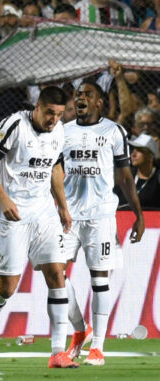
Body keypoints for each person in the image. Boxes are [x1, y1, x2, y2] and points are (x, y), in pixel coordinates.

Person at [0, 86, 77, 369]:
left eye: (58, 114)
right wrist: (3, 198)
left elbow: (55, 168)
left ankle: (57, 352)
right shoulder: (14, 125)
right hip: (12, 214)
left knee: (57, 273)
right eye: (49, 113)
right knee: (7, 287)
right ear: (37, 107)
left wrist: (63, 207)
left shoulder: (59, 131)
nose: (53, 120)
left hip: (43, 212)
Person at [60, 81, 145, 366]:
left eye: (88, 94)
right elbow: (53, 173)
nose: (81, 98)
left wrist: (139, 214)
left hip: (101, 216)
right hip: (67, 216)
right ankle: (79, 329)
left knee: (99, 280)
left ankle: (97, 347)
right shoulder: (62, 132)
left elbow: (124, 177)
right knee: (55, 275)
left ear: (99, 103)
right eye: (78, 94)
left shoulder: (114, 132)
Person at [116, 133, 160, 209]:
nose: (133, 154)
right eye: (133, 149)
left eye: (139, 150)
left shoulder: (157, 179)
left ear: (150, 156)